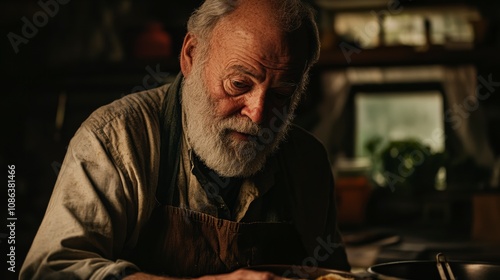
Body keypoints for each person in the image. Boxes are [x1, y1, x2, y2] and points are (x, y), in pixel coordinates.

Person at [20, 0, 351, 279]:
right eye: (239, 84)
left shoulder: (307, 161)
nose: (259, 113)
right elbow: (53, 271)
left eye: (281, 94)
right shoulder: (116, 139)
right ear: (191, 55)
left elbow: (331, 275)